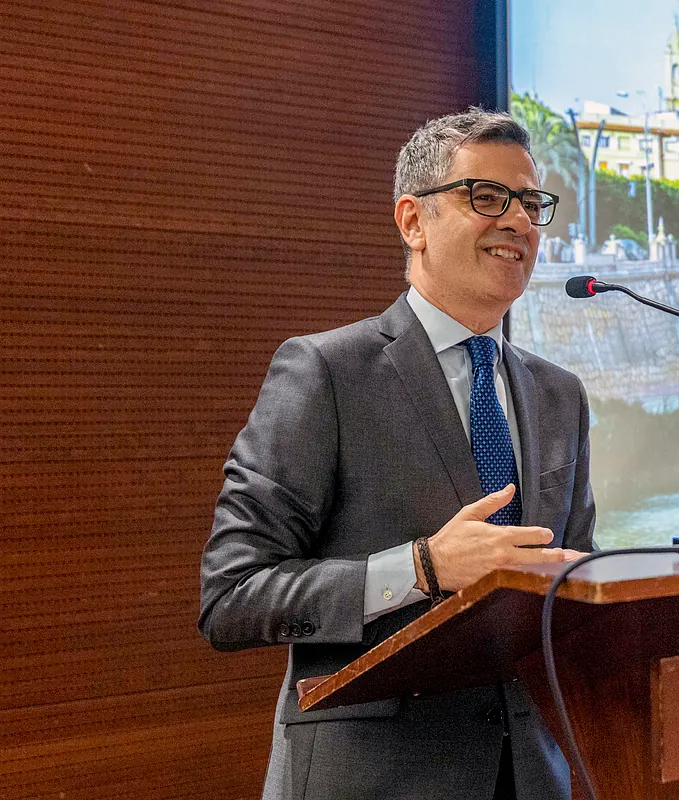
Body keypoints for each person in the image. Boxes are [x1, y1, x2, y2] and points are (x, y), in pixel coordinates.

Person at [198, 109, 596, 800]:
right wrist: (422, 568)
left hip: (537, 776)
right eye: (487, 198)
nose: (520, 223)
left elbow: (571, 587)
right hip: (375, 779)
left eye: (531, 204)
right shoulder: (327, 373)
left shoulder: (561, 396)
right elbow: (231, 597)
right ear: (413, 221)